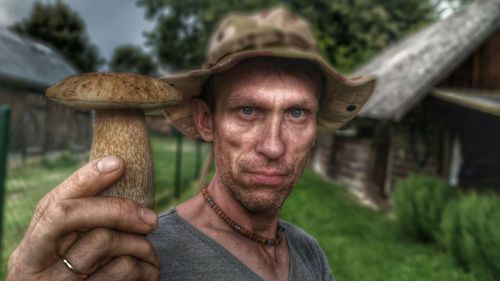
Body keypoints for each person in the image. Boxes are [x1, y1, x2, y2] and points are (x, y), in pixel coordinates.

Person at [7, 6, 375, 281]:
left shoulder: (310, 255)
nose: (274, 147)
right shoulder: (137, 259)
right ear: (205, 121)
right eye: (247, 110)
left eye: (297, 114)